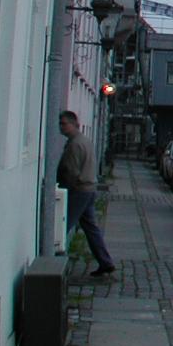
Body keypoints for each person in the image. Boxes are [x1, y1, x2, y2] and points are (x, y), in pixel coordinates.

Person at [57, 111, 115, 277]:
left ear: (74, 124)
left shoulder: (75, 144)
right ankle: (105, 261)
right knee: (91, 228)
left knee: (62, 224)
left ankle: (55, 259)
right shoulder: (84, 140)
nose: (61, 127)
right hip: (89, 188)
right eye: (60, 124)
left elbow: (71, 171)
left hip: (79, 190)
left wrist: (65, 188)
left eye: (64, 123)